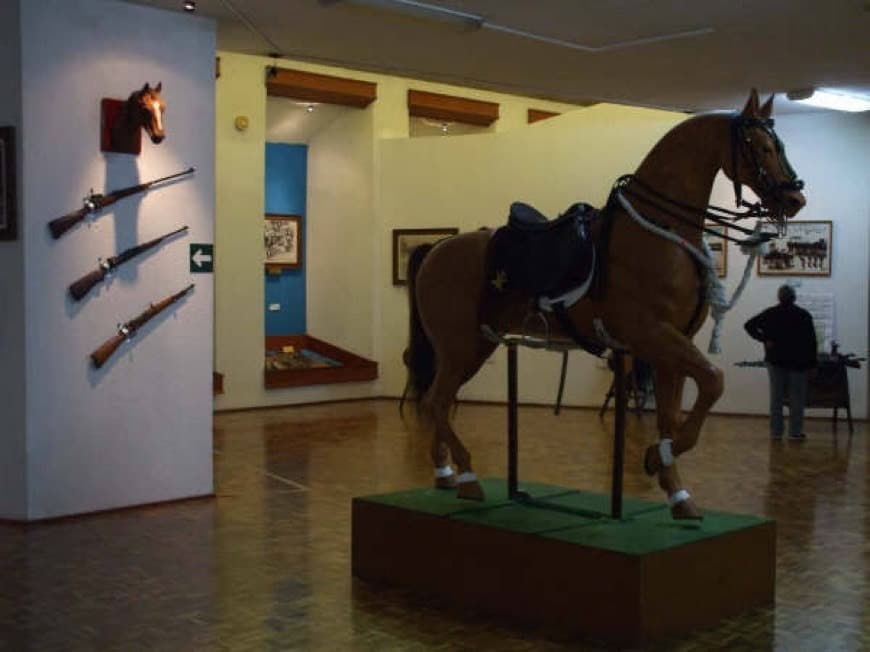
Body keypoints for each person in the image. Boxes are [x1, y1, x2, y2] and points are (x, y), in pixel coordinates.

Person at [744, 284, 818, 440]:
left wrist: (764, 339)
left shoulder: (771, 313)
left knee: (776, 397)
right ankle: (795, 432)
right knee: (797, 398)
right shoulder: (803, 315)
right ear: (794, 297)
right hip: (799, 363)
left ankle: (776, 432)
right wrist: (813, 365)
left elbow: (749, 325)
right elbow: (812, 342)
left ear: (779, 297)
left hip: (775, 360)